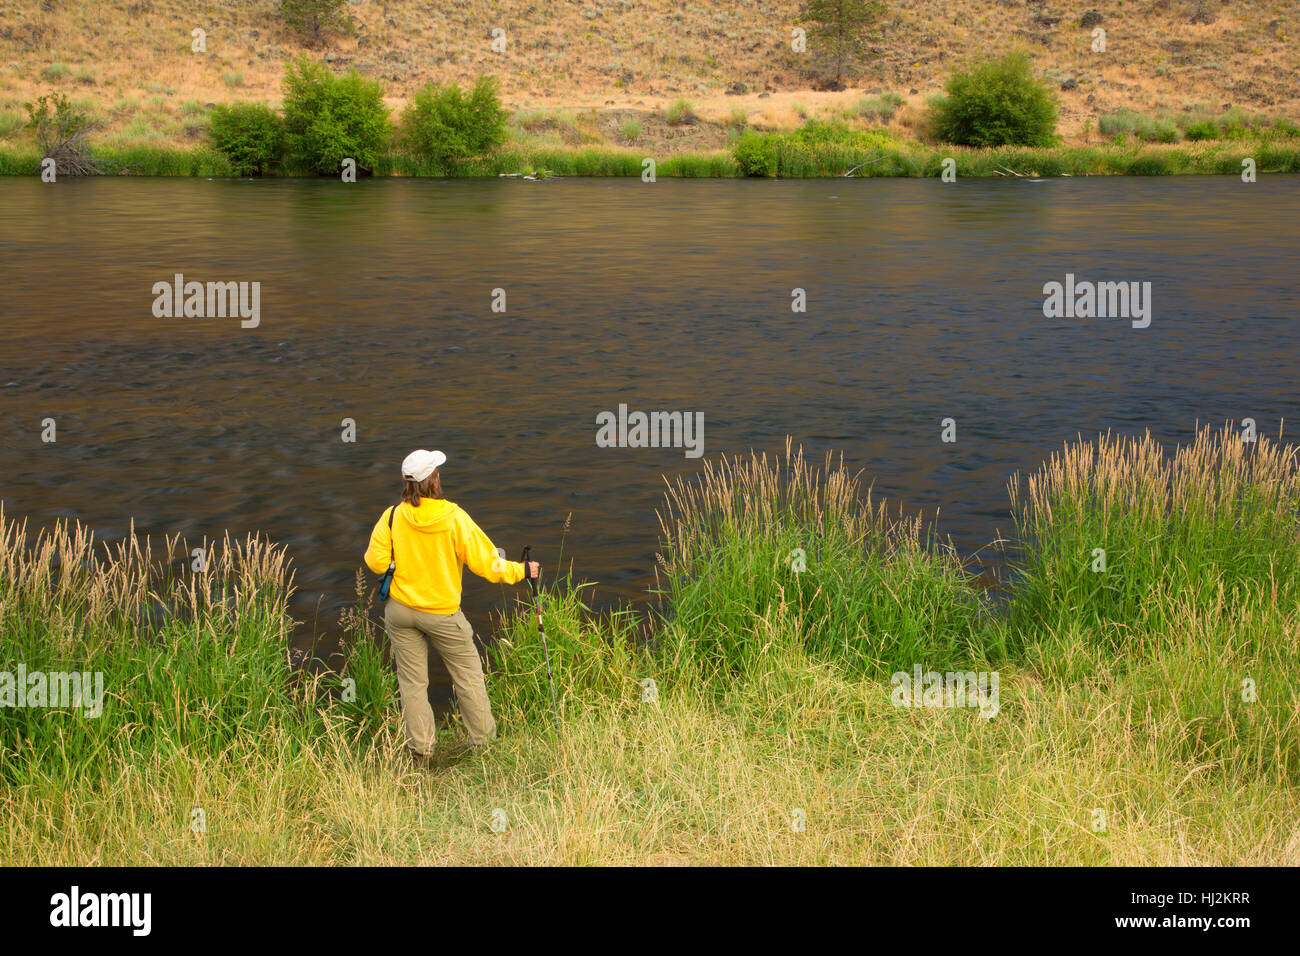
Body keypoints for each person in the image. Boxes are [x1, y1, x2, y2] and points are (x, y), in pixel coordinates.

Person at [364, 448, 539, 761]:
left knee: (413, 685)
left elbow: (376, 563)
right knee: (469, 679)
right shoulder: (454, 517)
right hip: (442, 614)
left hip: (400, 611)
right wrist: (523, 570)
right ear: (433, 480)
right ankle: (484, 749)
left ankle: (421, 753)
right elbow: (488, 565)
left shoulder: (391, 516)